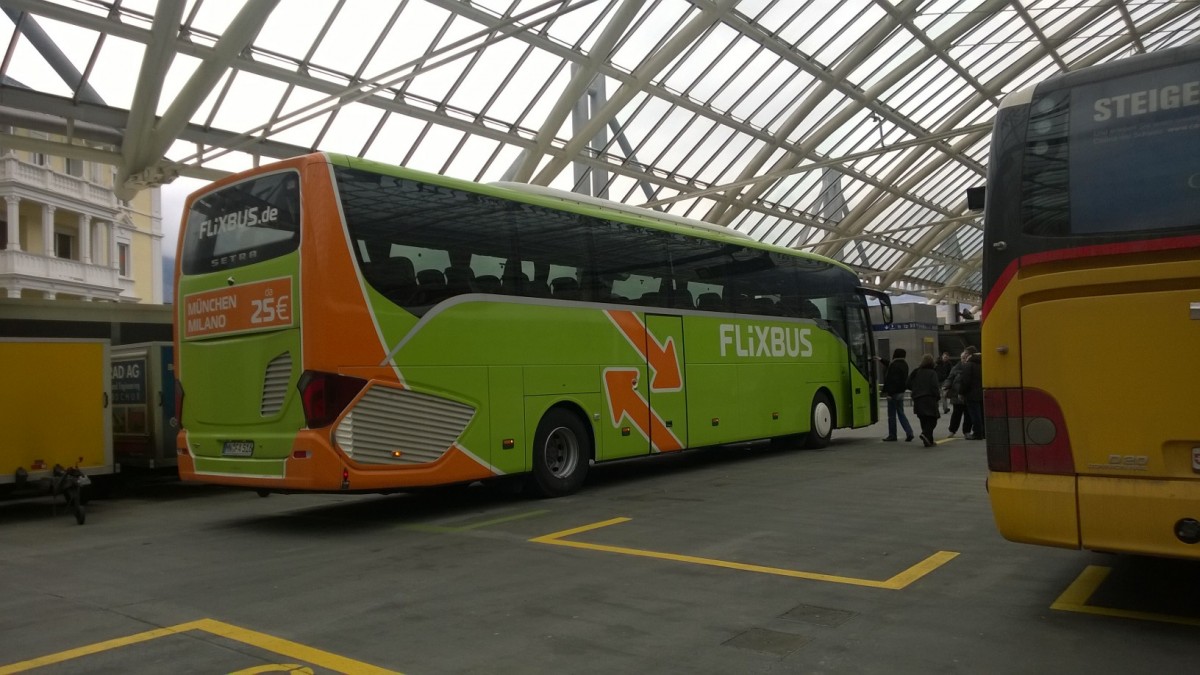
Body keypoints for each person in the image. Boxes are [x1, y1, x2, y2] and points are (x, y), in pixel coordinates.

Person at [878, 348, 914, 442]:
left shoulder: (893, 365)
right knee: (901, 413)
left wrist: (889, 393)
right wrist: (881, 359)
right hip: (901, 392)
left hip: (893, 393)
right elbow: (890, 364)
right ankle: (909, 432)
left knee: (892, 415)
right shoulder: (904, 365)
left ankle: (892, 435)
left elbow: (891, 380)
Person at [908, 354, 942, 447]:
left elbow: (908, 383)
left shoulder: (916, 371)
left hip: (917, 398)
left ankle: (928, 441)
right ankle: (925, 434)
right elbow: (935, 386)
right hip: (929, 398)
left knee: (923, 419)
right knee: (932, 419)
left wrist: (915, 389)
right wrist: (938, 397)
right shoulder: (932, 373)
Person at [943, 351, 972, 438]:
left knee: (968, 414)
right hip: (956, 394)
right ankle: (952, 430)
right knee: (956, 414)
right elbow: (950, 378)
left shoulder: (970, 367)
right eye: (963, 358)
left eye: (966, 358)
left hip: (967, 394)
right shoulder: (956, 368)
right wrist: (946, 386)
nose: (964, 360)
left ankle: (967, 431)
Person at [958, 346, 985, 439]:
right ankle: (983, 432)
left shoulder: (968, 365)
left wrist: (961, 392)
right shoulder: (982, 364)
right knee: (981, 413)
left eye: (965, 353)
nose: (964, 355)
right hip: (981, 392)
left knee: (975, 414)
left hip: (971, 393)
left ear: (969, 354)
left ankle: (977, 433)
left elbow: (965, 381)